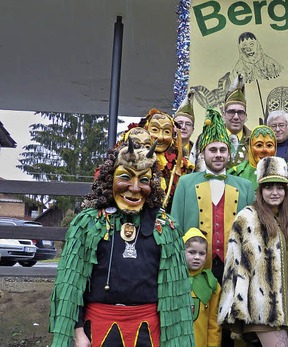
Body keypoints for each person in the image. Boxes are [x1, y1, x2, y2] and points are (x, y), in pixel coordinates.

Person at [49, 140, 194, 346]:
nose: (135, 188)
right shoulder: (89, 223)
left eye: (143, 180)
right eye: (125, 177)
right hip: (98, 327)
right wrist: (77, 330)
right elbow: (70, 286)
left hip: (149, 331)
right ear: (109, 179)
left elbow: (177, 295)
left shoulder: (166, 227)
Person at [218, 156, 288, 347]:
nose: (274, 192)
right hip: (264, 305)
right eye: (269, 187)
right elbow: (234, 265)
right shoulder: (247, 217)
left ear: (286, 191)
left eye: (279, 187)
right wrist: (237, 304)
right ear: (260, 190)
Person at [171, 108, 255, 280]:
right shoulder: (186, 183)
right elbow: (176, 226)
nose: (218, 155)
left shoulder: (245, 186)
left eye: (222, 150)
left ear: (229, 153)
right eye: (213, 150)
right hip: (194, 269)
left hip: (234, 268)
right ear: (203, 153)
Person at [139, 108, 194, 210]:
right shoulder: (131, 159)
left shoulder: (181, 165)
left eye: (166, 131)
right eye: (155, 130)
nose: (160, 137)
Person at [184, 228, 222, 347]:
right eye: (191, 252)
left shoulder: (211, 284)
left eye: (201, 253)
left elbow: (213, 323)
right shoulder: (171, 280)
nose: (197, 257)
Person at [223, 75, 252, 168]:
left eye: (240, 112)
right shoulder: (209, 137)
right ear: (223, 114)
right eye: (231, 112)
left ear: (245, 116)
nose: (236, 117)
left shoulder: (254, 140)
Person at [174, 90, 199, 165]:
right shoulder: (164, 149)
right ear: (172, 127)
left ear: (193, 130)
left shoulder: (198, 152)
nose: (183, 127)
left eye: (188, 124)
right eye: (179, 123)